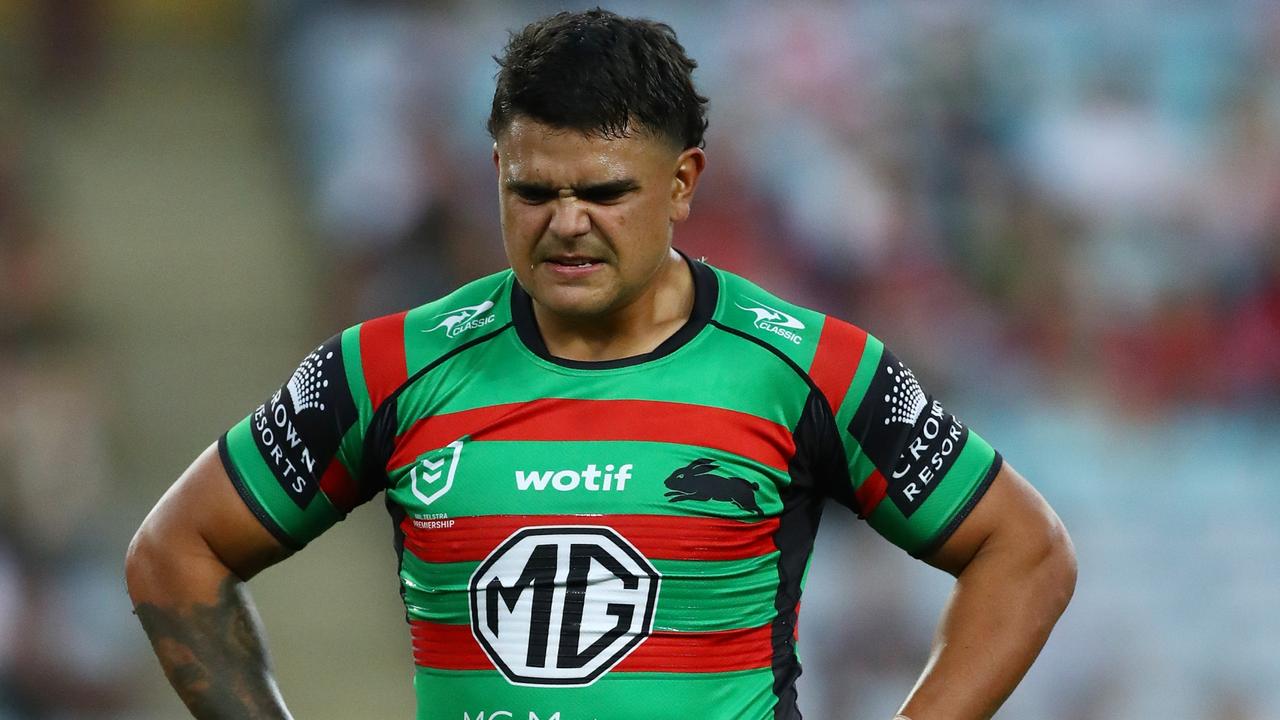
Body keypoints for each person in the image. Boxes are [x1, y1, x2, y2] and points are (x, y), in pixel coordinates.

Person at [125, 9, 1077, 720]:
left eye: (604, 192)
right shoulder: (389, 367)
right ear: (495, 173)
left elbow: (1024, 552)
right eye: (531, 190)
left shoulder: (807, 366)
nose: (566, 222)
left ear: (683, 183)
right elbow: (175, 554)